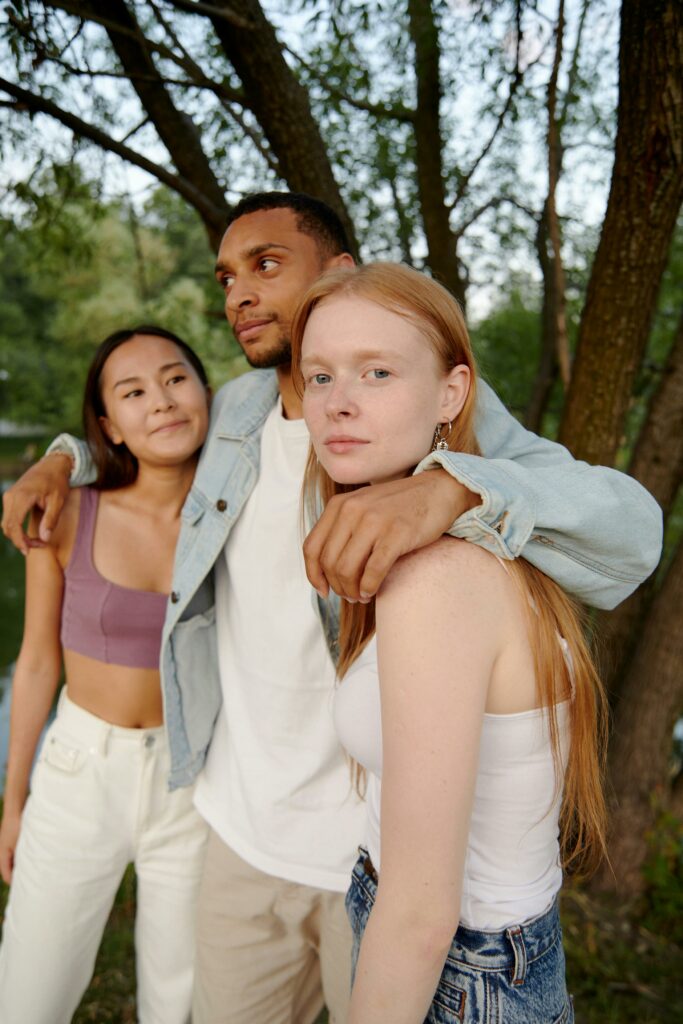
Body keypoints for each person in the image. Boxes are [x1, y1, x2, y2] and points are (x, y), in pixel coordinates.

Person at [0, 193, 661, 1024]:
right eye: (227, 277)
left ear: (341, 273)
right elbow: (138, 434)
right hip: (240, 834)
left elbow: (630, 528)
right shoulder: (235, 412)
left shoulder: (417, 415)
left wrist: (446, 488)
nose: (238, 293)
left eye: (266, 265)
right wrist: (61, 459)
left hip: (378, 855)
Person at [292, 261, 609, 1023]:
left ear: (451, 394)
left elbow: (421, 916)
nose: (339, 404)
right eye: (320, 376)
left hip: (459, 975)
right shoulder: (469, 536)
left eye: (376, 372)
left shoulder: (438, 577)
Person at [0, 327, 211, 1024]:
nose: (161, 401)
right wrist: (14, 798)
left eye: (176, 378)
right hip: (79, 772)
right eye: (133, 392)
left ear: (204, 391)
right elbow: (35, 663)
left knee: (176, 1004)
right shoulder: (64, 515)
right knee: (29, 994)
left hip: (193, 781)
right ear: (109, 427)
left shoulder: (232, 520)